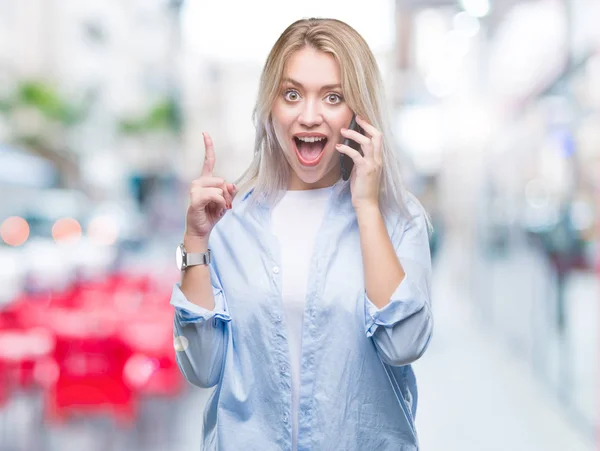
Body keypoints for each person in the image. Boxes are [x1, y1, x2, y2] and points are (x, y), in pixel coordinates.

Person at [171, 17, 433, 451]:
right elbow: (202, 369)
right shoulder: (228, 224)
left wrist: (366, 206)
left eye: (333, 97)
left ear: (358, 114)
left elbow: (403, 344)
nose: (309, 116)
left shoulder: (399, 220)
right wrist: (195, 241)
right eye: (292, 94)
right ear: (270, 106)